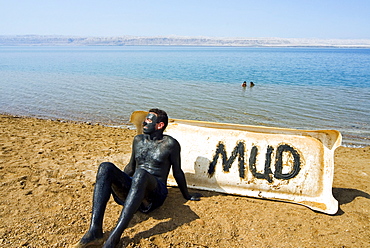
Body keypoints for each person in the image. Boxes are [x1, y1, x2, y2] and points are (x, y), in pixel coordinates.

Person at [73, 108, 201, 248]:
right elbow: (130, 167)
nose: (144, 123)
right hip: (136, 192)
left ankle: (114, 238)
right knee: (105, 167)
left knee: (141, 174)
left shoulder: (170, 144)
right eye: (145, 119)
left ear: (159, 125)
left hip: (154, 196)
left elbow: (177, 172)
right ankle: (95, 231)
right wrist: (119, 181)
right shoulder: (138, 140)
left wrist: (187, 195)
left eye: (149, 120)